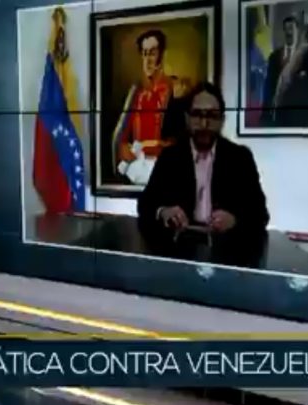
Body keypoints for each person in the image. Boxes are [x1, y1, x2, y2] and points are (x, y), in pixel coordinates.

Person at [137, 82, 269, 246]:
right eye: (197, 114)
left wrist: (234, 220)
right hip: (180, 248)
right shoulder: (170, 157)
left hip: (226, 250)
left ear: (222, 120)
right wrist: (163, 212)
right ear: (187, 118)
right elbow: (145, 204)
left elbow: (260, 214)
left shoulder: (240, 158)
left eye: (212, 116)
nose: (204, 123)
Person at [112, 29, 177, 185]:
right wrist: (122, 147)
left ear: (162, 55)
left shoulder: (174, 91)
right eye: (144, 53)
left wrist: (155, 146)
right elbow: (122, 135)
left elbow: (181, 141)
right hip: (136, 167)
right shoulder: (136, 93)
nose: (147, 60)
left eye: (152, 53)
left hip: (164, 168)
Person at [262, 16, 308, 127]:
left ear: (297, 31)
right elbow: (269, 89)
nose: (289, 32)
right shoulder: (273, 57)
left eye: (291, 28)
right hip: (279, 118)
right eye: (286, 29)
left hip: (300, 119)